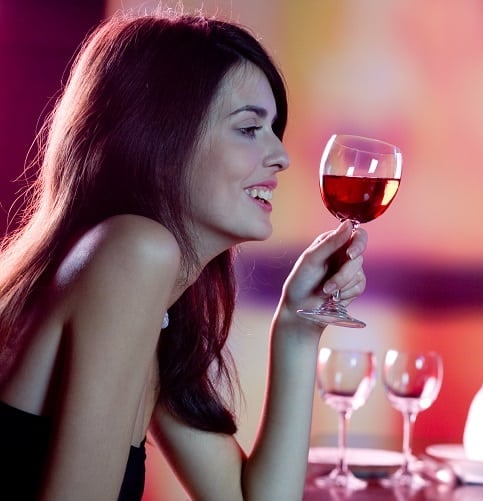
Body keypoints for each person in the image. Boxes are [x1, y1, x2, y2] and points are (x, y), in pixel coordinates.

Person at [0, 9, 368, 500]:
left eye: (274, 128)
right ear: (160, 133)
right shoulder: (132, 252)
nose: (280, 155)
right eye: (247, 128)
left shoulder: (147, 306)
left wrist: (298, 327)